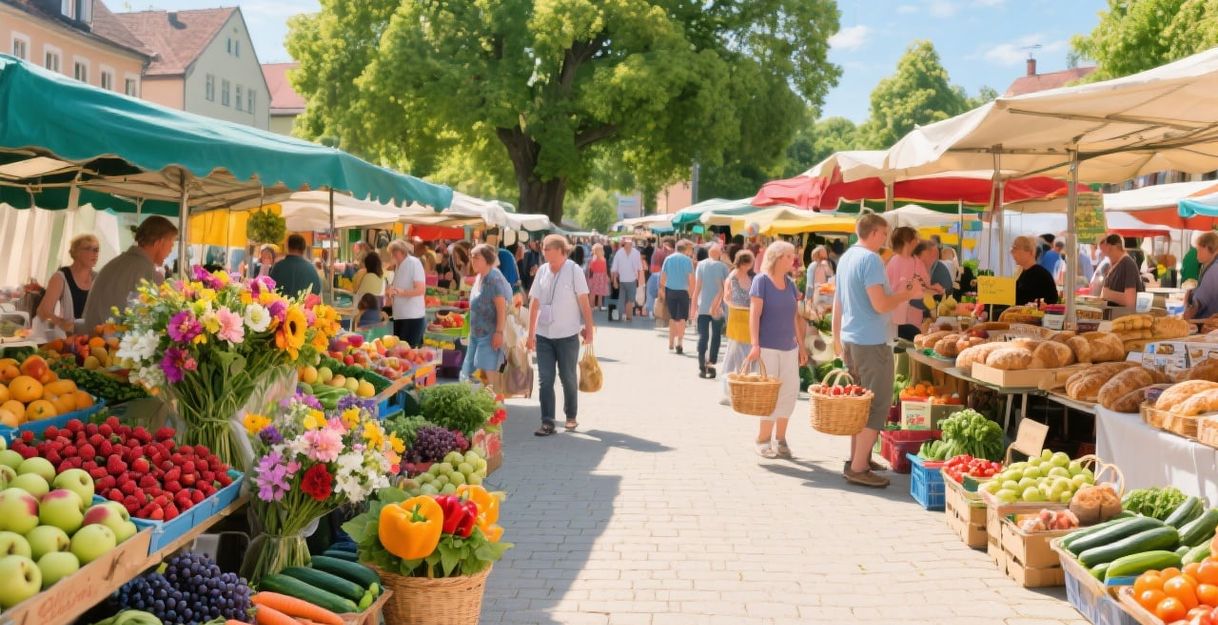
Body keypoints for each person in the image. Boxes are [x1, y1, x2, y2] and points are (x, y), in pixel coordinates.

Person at [833, 214, 924, 488]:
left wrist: (837, 338)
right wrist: (907, 294)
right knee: (876, 405)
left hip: (853, 339)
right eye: (883, 234)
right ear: (873, 233)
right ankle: (859, 467)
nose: (886, 239)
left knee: (859, 405)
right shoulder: (871, 260)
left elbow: (840, 301)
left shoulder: (847, 258)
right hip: (871, 343)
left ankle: (857, 459)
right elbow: (881, 305)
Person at [744, 242, 808, 459]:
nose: (793, 260)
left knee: (789, 393)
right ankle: (762, 439)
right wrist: (755, 344)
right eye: (789, 256)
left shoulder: (790, 284)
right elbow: (754, 314)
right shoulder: (761, 281)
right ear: (778, 258)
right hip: (768, 348)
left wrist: (801, 345)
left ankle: (780, 439)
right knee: (769, 397)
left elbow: (794, 317)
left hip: (789, 348)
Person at [527, 235, 594, 436]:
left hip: (567, 335)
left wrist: (589, 328)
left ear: (561, 250)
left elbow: (584, 302)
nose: (544, 251)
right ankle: (547, 421)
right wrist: (530, 334)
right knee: (545, 379)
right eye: (543, 248)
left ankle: (571, 416)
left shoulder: (574, 270)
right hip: (544, 335)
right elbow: (534, 302)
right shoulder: (542, 270)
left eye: (548, 248)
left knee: (568, 377)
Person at [83, 216, 178, 329]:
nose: (171, 250)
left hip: (91, 339)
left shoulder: (116, 263)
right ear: (159, 243)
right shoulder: (147, 271)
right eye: (171, 244)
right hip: (110, 343)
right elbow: (149, 321)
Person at [462, 244, 513, 389]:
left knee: (489, 381)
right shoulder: (480, 277)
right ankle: (487, 409)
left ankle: (497, 410)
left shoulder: (493, 279)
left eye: (476, 258)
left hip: (489, 337)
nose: (473, 261)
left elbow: (501, 308)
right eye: (472, 257)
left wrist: (499, 332)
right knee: (474, 378)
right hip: (476, 335)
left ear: (487, 260)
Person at [36, 234, 99, 336]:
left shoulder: (98, 278)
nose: (95, 253)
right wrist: (61, 323)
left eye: (96, 249)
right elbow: (43, 311)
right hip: (69, 340)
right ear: (76, 252)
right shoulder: (61, 277)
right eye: (88, 248)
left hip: (94, 339)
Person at [719, 250, 755, 404]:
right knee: (734, 355)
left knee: (745, 355)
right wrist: (737, 307)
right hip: (737, 319)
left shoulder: (749, 276)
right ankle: (729, 392)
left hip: (748, 319)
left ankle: (742, 391)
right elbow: (726, 298)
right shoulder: (732, 277)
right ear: (745, 263)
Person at [692, 244, 730, 379]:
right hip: (718, 308)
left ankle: (702, 364)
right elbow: (727, 289)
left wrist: (693, 308)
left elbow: (697, 288)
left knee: (703, 335)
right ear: (719, 254)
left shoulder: (701, 265)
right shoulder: (723, 267)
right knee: (716, 336)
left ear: (709, 253)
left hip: (703, 306)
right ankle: (711, 365)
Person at [885, 227, 929, 341]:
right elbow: (888, 291)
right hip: (896, 318)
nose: (917, 241)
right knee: (901, 348)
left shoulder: (916, 261)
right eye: (915, 239)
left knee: (912, 344)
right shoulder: (893, 262)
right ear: (908, 241)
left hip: (913, 315)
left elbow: (925, 284)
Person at [386, 240, 427, 347]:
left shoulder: (414, 263)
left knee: (408, 350)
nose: (393, 255)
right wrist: (391, 291)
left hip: (412, 316)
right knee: (399, 351)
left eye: (395, 253)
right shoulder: (398, 266)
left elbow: (421, 289)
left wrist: (402, 292)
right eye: (392, 253)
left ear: (402, 252)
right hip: (400, 316)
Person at [660, 240, 696, 354]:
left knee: (674, 317)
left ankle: (673, 341)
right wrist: (691, 293)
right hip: (683, 291)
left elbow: (662, 278)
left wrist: (663, 290)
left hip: (670, 290)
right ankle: (680, 341)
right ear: (685, 249)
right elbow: (691, 279)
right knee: (682, 318)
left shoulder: (668, 259)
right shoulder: (687, 260)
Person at [1010, 236, 1059, 305]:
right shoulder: (1021, 272)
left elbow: (1052, 300)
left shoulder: (1041, 275)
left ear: (1030, 252)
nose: (1012, 253)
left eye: (1016, 249)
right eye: (1012, 250)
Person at [1099, 233, 1144, 308]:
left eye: (1105, 253)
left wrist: (1108, 294)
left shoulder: (1128, 264)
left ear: (1110, 248)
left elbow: (1130, 301)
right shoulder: (1114, 266)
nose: (1104, 255)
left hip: (1126, 317)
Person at [610, 237, 645, 322]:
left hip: (632, 279)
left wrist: (641, 281)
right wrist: (614, 280)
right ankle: (620, 316)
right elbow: (615, 268)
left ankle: (628, 317)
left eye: (630, 243)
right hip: (622, 280)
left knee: (630, 300)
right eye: (627, 243)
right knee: (622, 299)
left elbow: (640, 268)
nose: (629, 245)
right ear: (624, 244)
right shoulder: (619, 253)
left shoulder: (636, 253)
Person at [1185, 232, 1218, 319]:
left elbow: (1199, 302)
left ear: (1208, 248)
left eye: (1199, 250)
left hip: (1208, 325)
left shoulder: (1214, 269)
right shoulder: (1210, 266)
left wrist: (1187, 316)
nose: (1197, 254)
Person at [586, 243, 610, 311]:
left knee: (593, 292)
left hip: (595, 276)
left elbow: (591, 268)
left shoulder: (594, 258)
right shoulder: (603, 259)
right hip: (601, 276)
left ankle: (592, 306)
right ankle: (598, 306)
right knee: (600, 292)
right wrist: (607, 276)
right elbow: (604, 269)